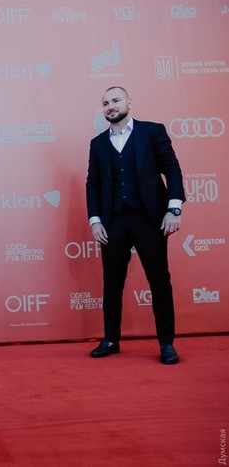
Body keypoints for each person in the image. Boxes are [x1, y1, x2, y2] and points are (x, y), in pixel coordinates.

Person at [85, 86, 185, 365]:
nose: (110, 106)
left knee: (159, 281)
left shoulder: (152, 132)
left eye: (116, 100)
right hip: (113, 221)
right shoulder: (97, 144)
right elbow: (93, 184)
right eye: (105, 103)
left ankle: (166, 343)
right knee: (112, 282)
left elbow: (172, 168)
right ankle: (111, 339)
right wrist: (95, 220)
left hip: (149, 219)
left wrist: (174, 208)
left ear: (129, 102)